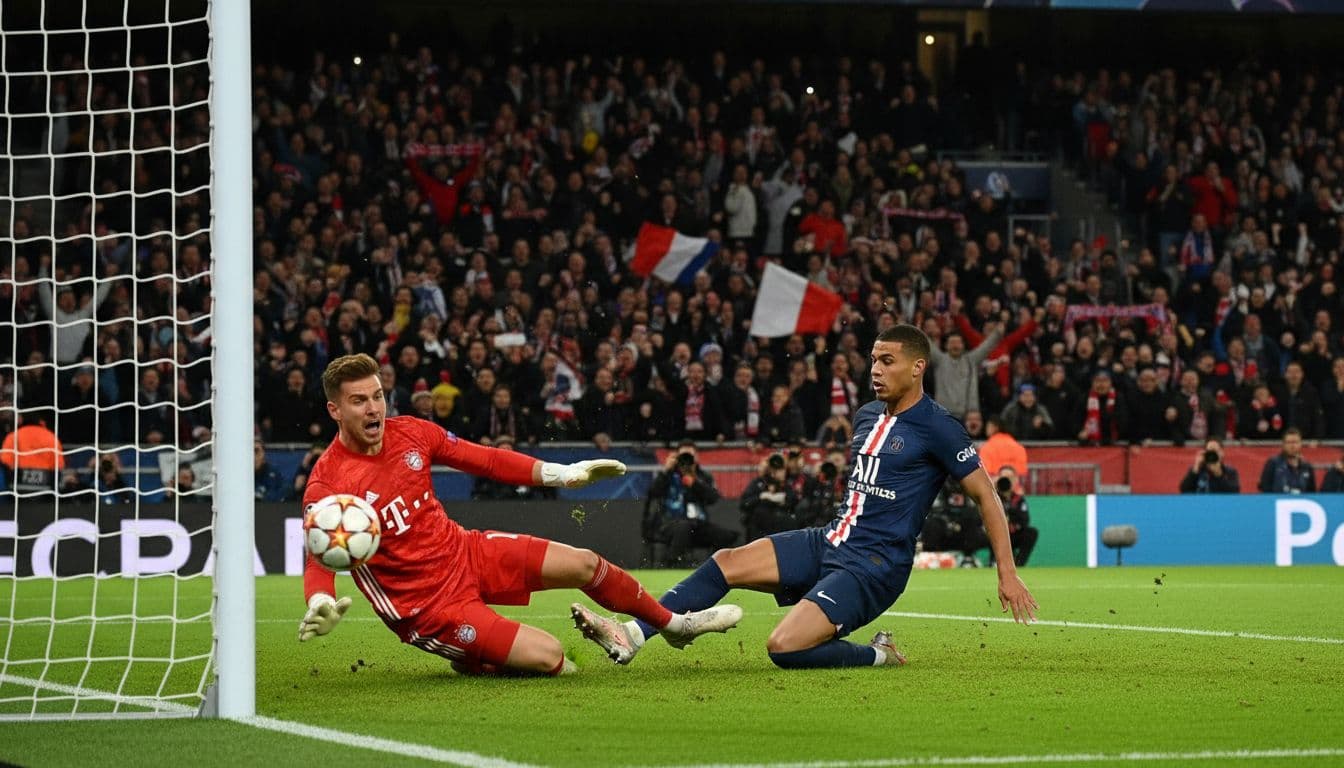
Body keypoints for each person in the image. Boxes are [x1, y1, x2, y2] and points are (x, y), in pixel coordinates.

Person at [573, 325, 1037, 669]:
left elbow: (986, 496)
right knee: (727, 561)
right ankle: (634, 633)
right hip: (831, 541)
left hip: (874, 566)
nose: (875, 369)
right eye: (873, 359)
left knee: (784, 648)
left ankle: (878, 654)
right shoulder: (866, 415)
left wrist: (1007, 573)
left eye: (888, 361)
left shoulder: (939, 427)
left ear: (918, 367)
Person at [298, 354, 742, 677]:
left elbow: (487, 460)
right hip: (428, 608)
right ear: (335, 410)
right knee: (553, 659)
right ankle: (472, 657)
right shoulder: (328, 483)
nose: (374, 409)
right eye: (359, 401)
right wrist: (319, 601)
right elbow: (318, 557)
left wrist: (562, 474)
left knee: (585, 562)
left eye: (378, 396)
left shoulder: (412, 432)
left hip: (466, 551)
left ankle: (675, 626)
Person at [642, 440, 736, 567]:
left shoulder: (703, 476)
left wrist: (695, 482)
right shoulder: (668, 475)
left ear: (696, 458)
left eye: (689, 456)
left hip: (698, 525)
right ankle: (672, 565)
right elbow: (653, 492)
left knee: (728, 536)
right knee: (683, 527)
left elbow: (713, 498)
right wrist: (666, 470)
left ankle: (715, 569)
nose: (685, 461)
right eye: (683, 456)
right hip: (670, 524)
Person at [1, 412, 64, 501]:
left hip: (17, 488)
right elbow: (59, 465)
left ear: (21, 419)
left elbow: (5, 461)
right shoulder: (51, 437)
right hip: (45, 490)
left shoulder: (13, 436)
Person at [739, 453, 803, 540]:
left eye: (782, 469)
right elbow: (744, 504)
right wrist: (761, 497)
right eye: (777, 470)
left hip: (781, 533)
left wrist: (783, 499)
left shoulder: (786, 485)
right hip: (759, 533)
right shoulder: (759, 484)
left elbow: (795, 502)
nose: (781, 472)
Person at [994, 466, 1037, 567]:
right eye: (1003, 477)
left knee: (1031, 532)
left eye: (1010, 478)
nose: (1006, 481)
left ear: (1015, 480)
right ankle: (994, 562)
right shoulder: (992, 497)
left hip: (1013, 534)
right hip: (996, 535)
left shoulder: (1018, 499)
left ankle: (1019, 564)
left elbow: (1025, 520)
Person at [1257, 428, 1316, 495]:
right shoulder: (1273, 464)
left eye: (1295, 442)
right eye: (1289, 442)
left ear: (1300, 444)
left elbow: (1312, 493)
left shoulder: (1307, 467)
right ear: (1283, 445)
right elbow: (1265, 489)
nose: (1292, 446)